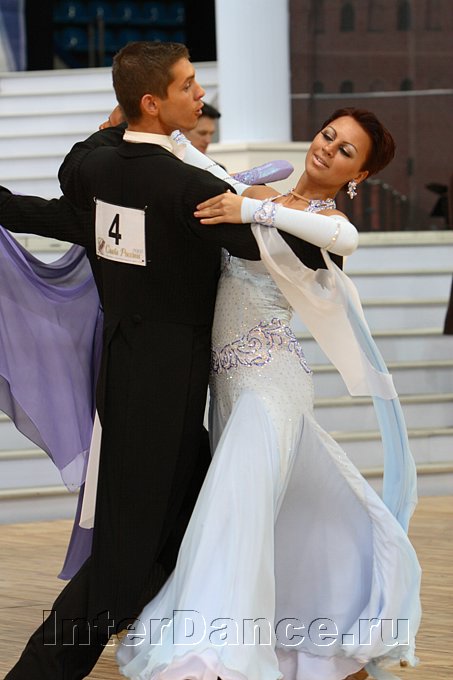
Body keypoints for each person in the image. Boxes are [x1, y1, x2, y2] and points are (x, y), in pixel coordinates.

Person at [0, 41, 344, 679]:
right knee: (125, 557)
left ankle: (188, 640)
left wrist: (112, 128)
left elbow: (74, 189)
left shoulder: (96, 165)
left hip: (133, 377)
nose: (201, 95)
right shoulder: (188, 187)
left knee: (189, 522)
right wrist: (300, 212)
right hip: (161, 389)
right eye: (187, 85)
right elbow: (286, 251)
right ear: (153, 103)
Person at [115, 109, 421, 680]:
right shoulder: (260, 194)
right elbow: (200, 165)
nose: (328, 149)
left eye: (346, 151)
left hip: (271, 381)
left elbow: (345, 238)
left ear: (358, 175)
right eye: (329, 135)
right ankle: (306, 631)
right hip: (229, 385)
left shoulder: (324, 224)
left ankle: (213, 651)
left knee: (234, 510)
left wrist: (251, 209)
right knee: (268, 515)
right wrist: (145, 127)